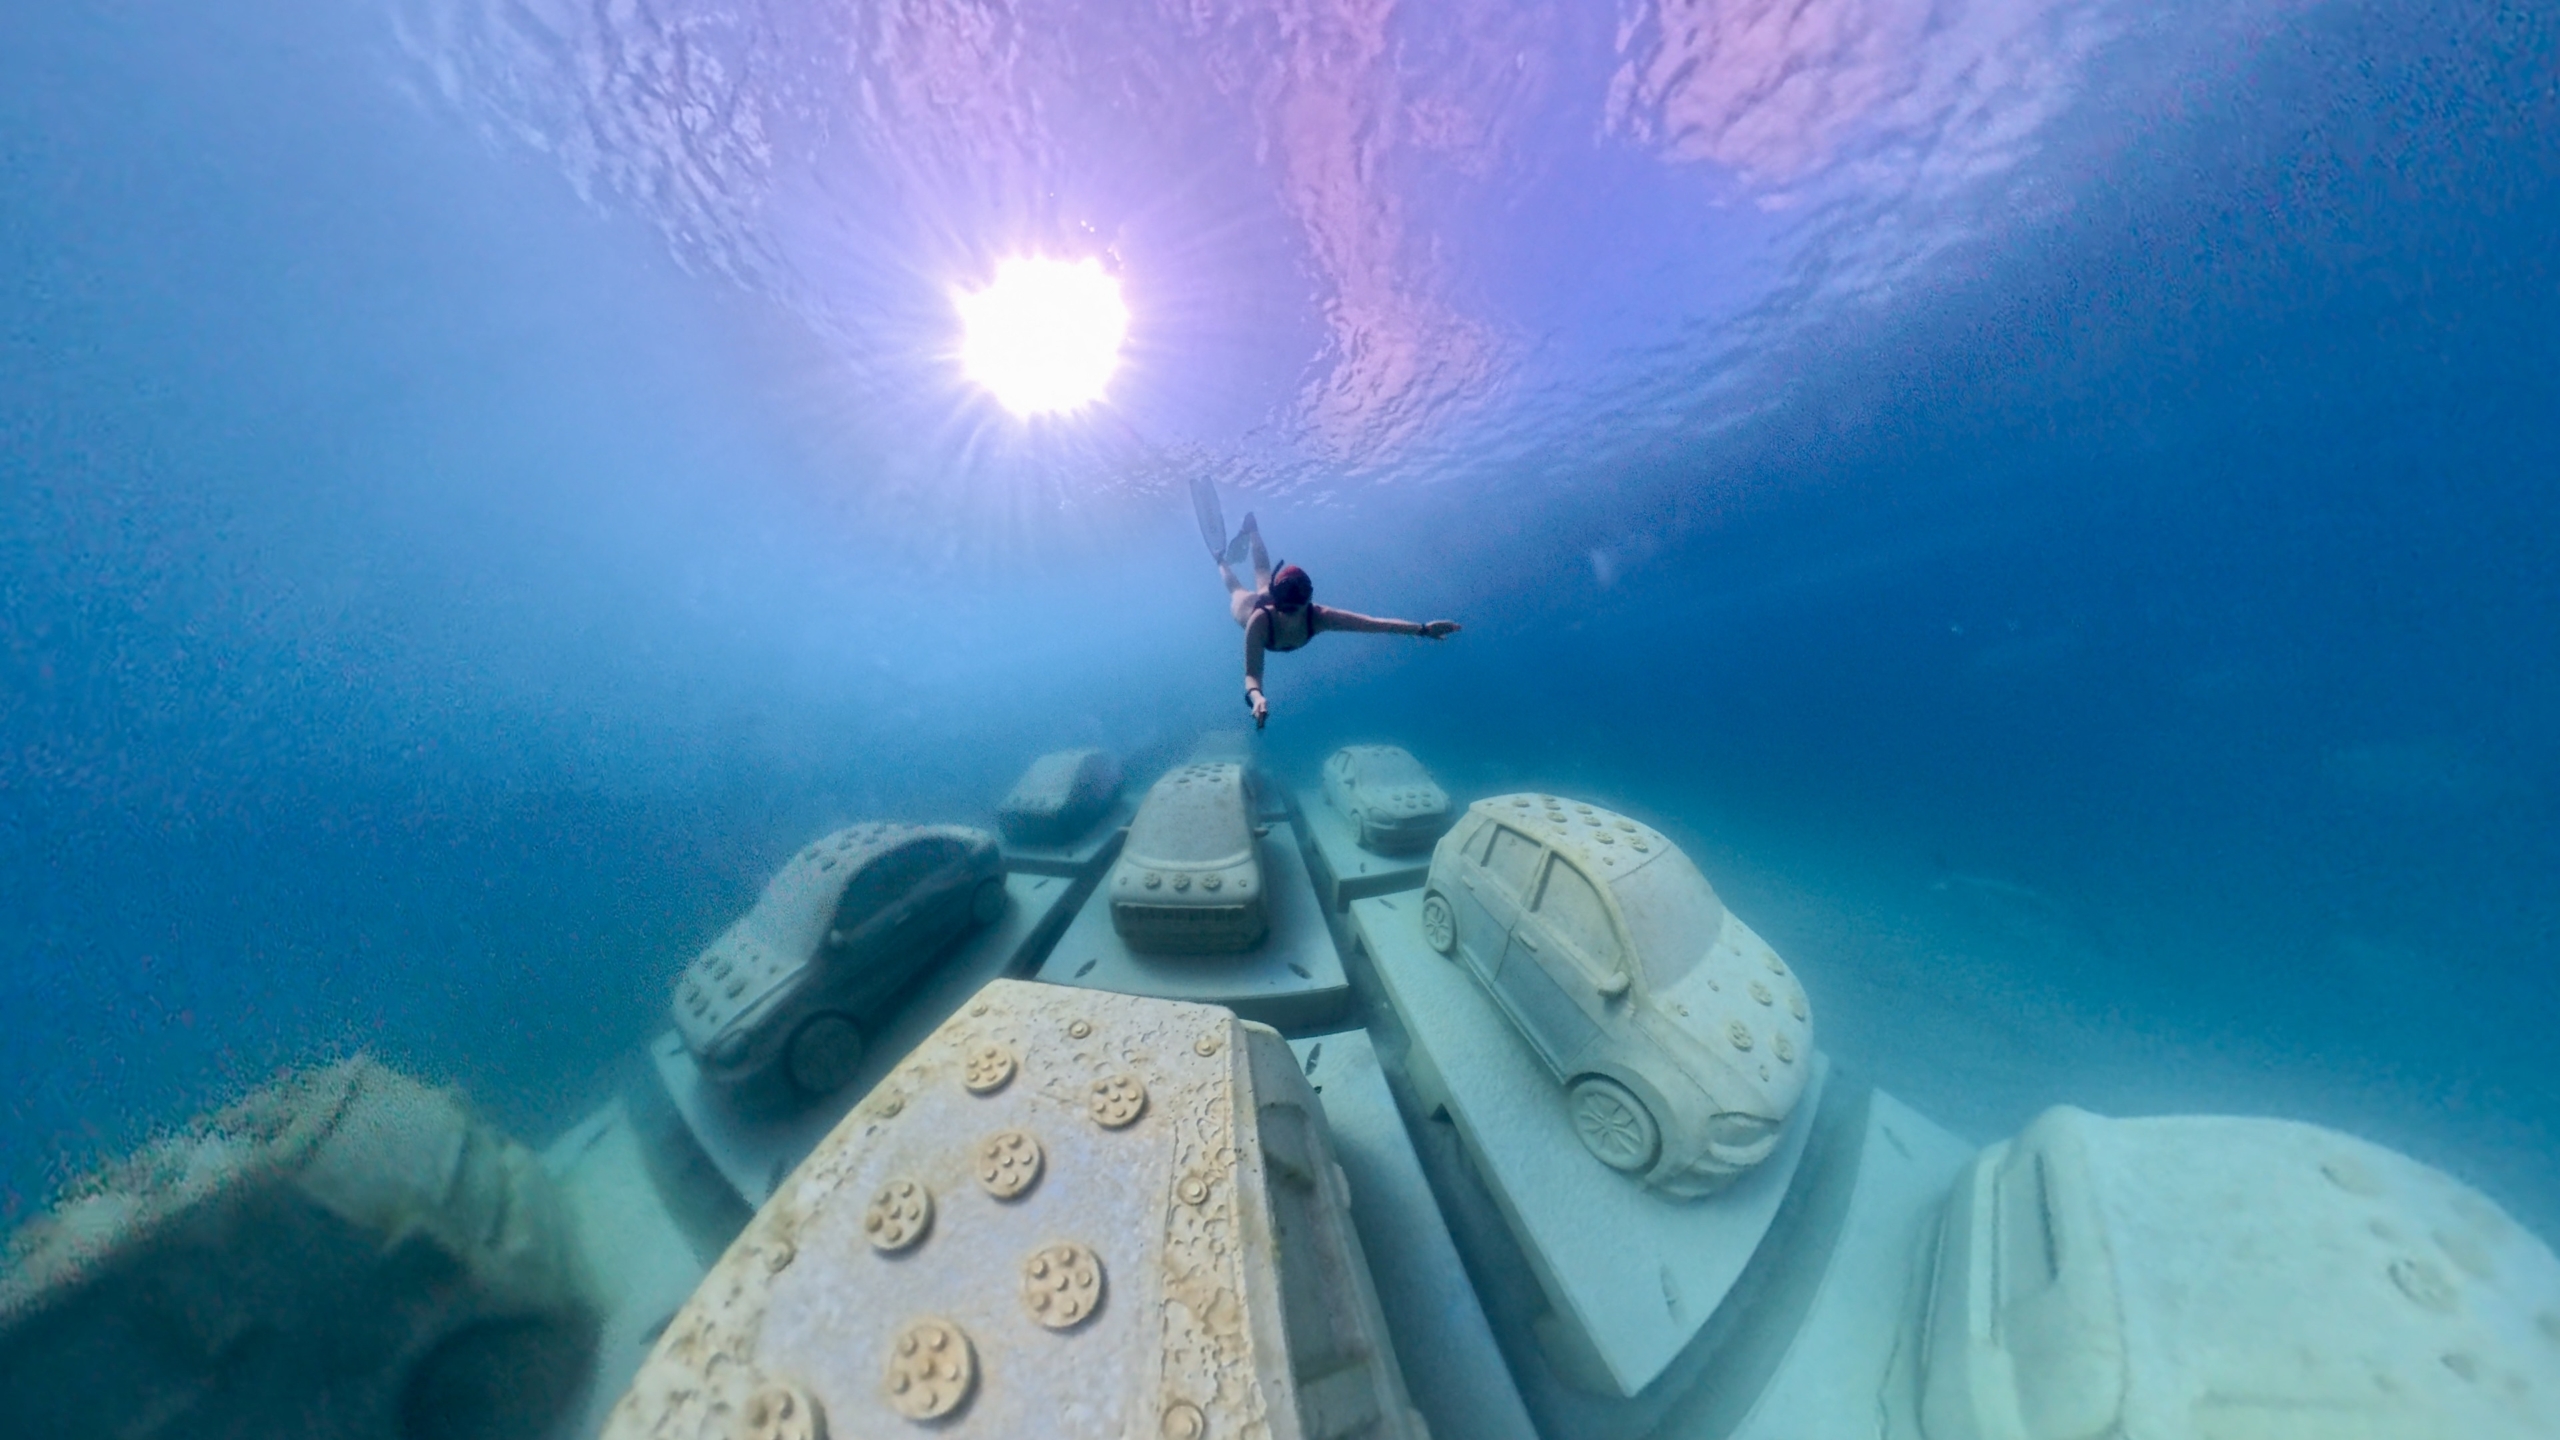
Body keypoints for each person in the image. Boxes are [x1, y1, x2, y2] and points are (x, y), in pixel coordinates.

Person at [1193, 479, 1460, 728]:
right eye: (1287, 608)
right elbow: (1252, 674)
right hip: (1252, 608)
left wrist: (1423, 629)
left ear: (1307, 599)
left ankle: (1252, 530)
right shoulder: (1259, 621)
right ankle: (1220, 559)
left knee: (1263, 575)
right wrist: (1257, 697)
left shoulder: (1319, 616)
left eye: (1294, 607)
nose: (1290, 613)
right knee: (1236, 590)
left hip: (1271, 597)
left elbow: (1374, 625)